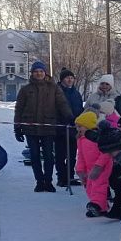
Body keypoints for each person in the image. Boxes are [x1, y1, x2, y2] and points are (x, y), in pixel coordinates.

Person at [15, 60, 74, 193]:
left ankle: (48, 181)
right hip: (30, 127)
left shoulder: (54, 88)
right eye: (36, 71)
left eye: (41, 71)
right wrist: (17, 127)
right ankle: (39, 181)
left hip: (48, 126)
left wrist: (69, 117)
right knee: (35, 156)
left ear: (45, 73)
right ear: (32, 73)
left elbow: (62, 103)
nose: (39, 73)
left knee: (48, 156)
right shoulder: (25, 89)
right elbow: (19, 109)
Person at [74, 112, 113, 217]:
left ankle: (97, 205)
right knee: (89, 186)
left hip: (102, 167)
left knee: (99, 185)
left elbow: (105, 153)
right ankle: (101, 205)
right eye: (77, 126)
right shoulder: (80, 140)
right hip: (89, 167)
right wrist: (80, 169)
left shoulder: (98, 138)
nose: (78, 129)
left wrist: (99, 166)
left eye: (80, 126)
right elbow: (81, 155)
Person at [55, 69, 84, 188]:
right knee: (61, 155)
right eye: (67, 78)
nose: (70, 80)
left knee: (72, 154)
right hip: (60, 128)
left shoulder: (76, 93)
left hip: (73, 128)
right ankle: (61, 177)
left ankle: (70, 176)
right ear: (62, 79)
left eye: (71, 78)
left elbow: (79, 108)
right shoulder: (57, 92)